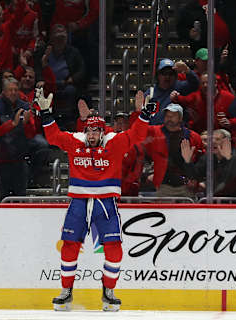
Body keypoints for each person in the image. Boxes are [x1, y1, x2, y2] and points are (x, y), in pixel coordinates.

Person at [37, 88, 154, 312]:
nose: (92, 135)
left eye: (96, 131)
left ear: (103, 132)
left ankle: (109, 292)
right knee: (69, 246)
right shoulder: (75, 141)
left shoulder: (114, 143)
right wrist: (46, 114)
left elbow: (137, 135)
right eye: (89, 130)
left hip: (106, 203)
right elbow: (53, 137)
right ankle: (66, 291)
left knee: (114, 248)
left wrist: (144, 115)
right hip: (78, 203)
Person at [143, 104, 203, 197]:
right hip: (163, 186)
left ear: (180, 118)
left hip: (186, 186)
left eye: (173, 116)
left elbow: (200, 162)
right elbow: (142, 154)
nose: (169, 118)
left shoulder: (193, 137)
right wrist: (149, 173)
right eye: (167, 115)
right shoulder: (153, 132)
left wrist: (195, 179)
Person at [182, 129, 236, 196]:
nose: (213, 142)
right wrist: (188, 161)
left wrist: (206, 184)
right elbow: (194, 176)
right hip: (211, 201)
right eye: (211, 140)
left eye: (217, 139)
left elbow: (232, 181)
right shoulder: (207, 158)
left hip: (232, 202)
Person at [145, 58, 199, 125]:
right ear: (158, 75)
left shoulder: (180, 87)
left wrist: (187, 70)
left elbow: (195, 84)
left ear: (175, 76)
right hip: (156, 131)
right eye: (164, 73)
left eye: (171, 74)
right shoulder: (150, 93)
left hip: (176, 131)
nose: (167, 77)